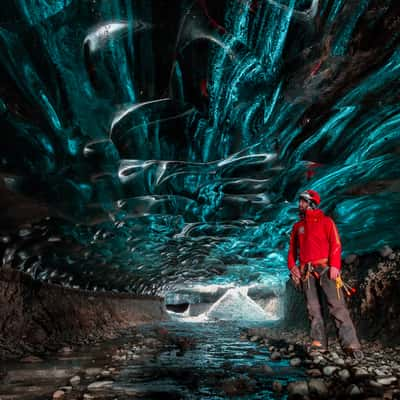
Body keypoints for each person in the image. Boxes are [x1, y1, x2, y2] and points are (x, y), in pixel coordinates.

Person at [287, 189, 363, 359]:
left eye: (303, 201)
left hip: (326, 269)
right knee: (312, 308)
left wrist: (335, 265)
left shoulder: (327, 222)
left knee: (337, 306)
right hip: (306, 272)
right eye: (300, 201)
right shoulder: (297, 227)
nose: (300, 204)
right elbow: (292, 251)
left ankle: (350, 344)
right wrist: (293, 267)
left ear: (312, 203)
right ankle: (319, 342)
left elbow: (336, 245)